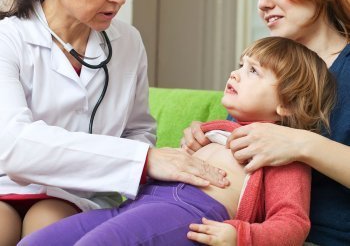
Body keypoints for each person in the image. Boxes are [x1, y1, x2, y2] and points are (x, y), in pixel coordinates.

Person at [0, 0, 228, 245]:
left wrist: (138, 157)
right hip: (6, 183)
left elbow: (138, 129)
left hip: (80, 193)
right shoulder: (9, 38)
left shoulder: (127, 42)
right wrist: (144, 159)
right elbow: (12, 144)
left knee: (47, 223)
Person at [19, 36, 337, 246]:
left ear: (288, 104)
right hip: (138, 202)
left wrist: (241, 235)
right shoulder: (212, 130)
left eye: (253, 71)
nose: (235, 73)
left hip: (189, 214)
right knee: (37, 242)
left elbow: (293, 222)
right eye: (241, 64)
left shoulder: (285, 155)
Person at [182, 0, 350, 246]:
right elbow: (245, 155)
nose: (262, 3)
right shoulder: (264, 66)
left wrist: (300, 144)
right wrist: (209, 142)